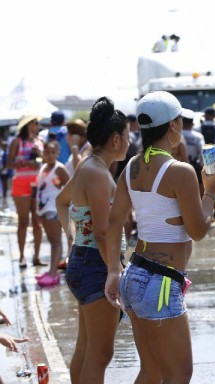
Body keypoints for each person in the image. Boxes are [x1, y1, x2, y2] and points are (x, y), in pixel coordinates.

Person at [104, 91, 215, 383]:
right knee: (179, 374)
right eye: (180, 120)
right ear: (173, 126)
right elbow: (197, 231)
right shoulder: (180, 171)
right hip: (160, 281)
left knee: (152, 371)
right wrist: (212, 190)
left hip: (134, 276)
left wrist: (112, 271)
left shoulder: (131, 167)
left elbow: (114, 220)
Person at [55, 97, 130, 384]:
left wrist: (72, 237)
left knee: (87, 349)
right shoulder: (98, 173)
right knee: (100, 355)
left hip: (84, 262)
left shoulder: (89, 165)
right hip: (96, 266)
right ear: (114, 139)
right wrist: (115, 270)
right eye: (126, 135)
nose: (129, 140)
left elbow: (62, 202)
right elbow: (102, 231)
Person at [7, 115, 44, 268]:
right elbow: (9, 164)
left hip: (37, 184)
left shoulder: (39, 142)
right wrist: (25, 163)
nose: (38, 126)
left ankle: (36, 256)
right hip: (21, 184)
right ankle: (22, 256)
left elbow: (46, 161)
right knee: (23, 221)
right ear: (28, 125)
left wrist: (40, 156)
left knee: (37, 221)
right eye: (36, 123)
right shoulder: (17, 142)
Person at [36, 141, 70, 287]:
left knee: (56, 242)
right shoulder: (43, 167)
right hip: (44, 209)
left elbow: (70, 185)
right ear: (43, 153)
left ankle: (52, 273)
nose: (49, 155)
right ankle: (52, 270)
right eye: (46, 152)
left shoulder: (59, 168)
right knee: (52, 242)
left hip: (54, 209)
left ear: (57, 153)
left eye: (52, 152)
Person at [181, 108, 205, 187]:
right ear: (192, 123)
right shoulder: (198, 136)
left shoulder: (176, 135)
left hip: (177, 166)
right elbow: (203, 153)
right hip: (195, 167)